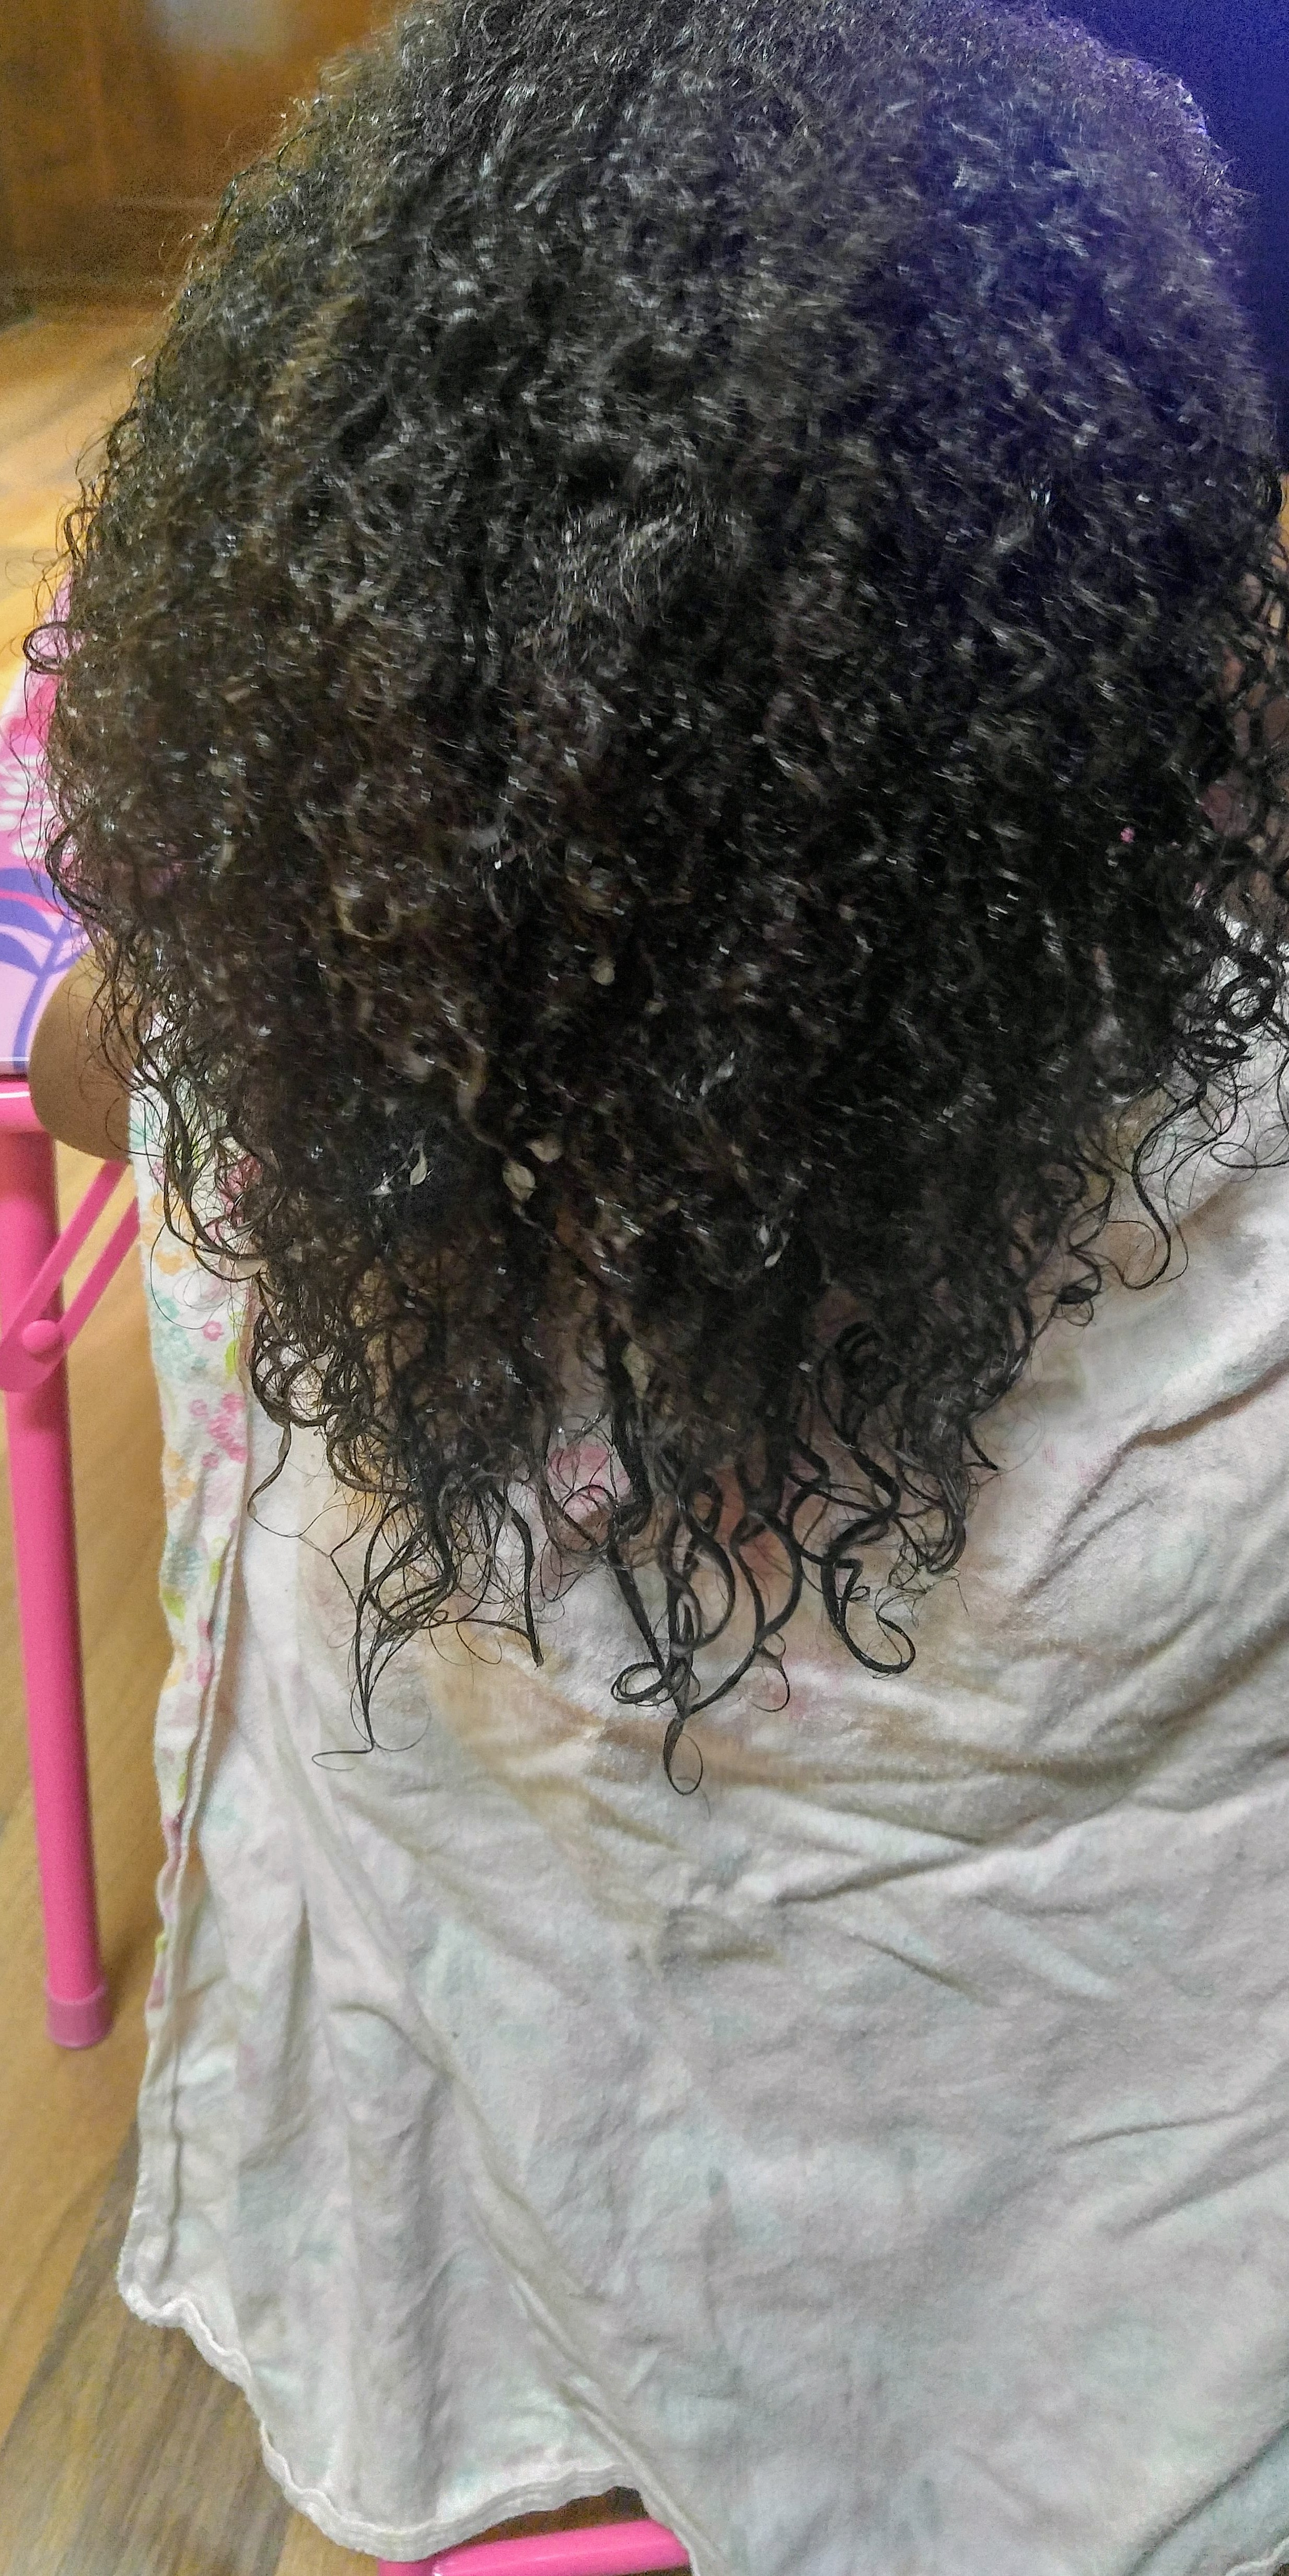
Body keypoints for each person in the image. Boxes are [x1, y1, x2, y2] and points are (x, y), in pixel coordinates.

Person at [22, 0, 1289, 2567]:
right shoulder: (1231, 1171)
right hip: (1108, 2283)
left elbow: (76, 1054)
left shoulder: (269, 1076)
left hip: (504, 2179)